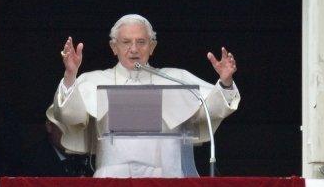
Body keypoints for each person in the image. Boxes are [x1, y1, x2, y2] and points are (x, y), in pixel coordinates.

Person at [47, 14, 240, 178]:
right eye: (126, 42)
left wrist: (224, 82)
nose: (133, 49)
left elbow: (208, 112)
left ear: (152, 46)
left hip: (168, 180)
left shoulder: (177, 79)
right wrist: (70, 76)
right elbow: (72, 117)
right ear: (114, 47)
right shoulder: (94, 80)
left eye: (141, 42)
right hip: (114, 182)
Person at [17, 108, 93, 177]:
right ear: (49, 126)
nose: (71, 133)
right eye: (64, 126)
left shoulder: (87, 159)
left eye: (75, 126)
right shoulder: (32, 161)